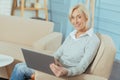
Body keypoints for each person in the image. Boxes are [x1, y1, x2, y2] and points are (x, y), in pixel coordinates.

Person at [10, 4, 100, 80]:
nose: (75, 21)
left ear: (86, 17)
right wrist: (53, 60)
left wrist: (66, 71)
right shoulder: (72, 35)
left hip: (64, 73)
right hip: (54, 67)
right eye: (72, 18)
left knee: (20, 69)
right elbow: (58, 53)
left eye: (79, 17)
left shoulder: (92, 40)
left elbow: (82, 67)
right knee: (20, 65)